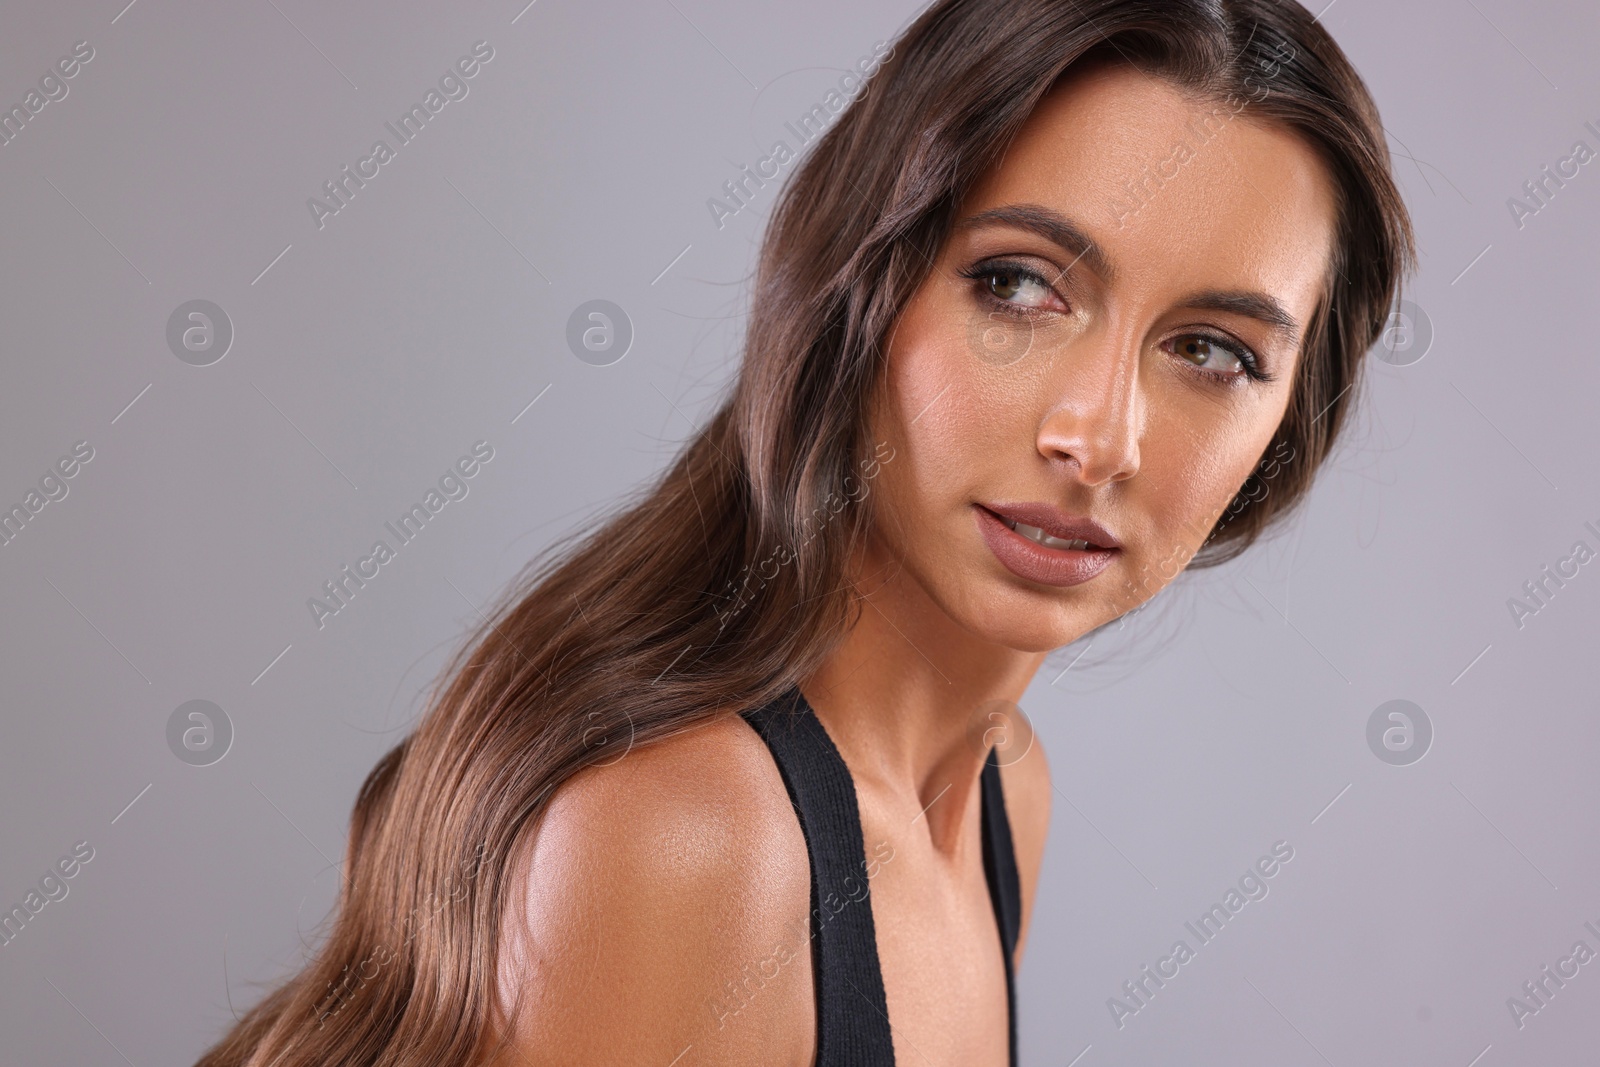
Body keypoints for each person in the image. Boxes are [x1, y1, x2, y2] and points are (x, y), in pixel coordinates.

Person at [196, 0, 1412, 1063]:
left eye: (1213, 350)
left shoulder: (1000, 791)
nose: (1099, 437)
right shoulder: (690, 840)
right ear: (862, 288)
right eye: (1019, 284)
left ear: (1288, 421)